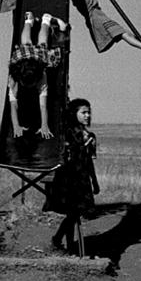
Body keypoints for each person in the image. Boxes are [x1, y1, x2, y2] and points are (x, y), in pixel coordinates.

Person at [48, 98, 100, 253]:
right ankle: (67, 245)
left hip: (82, 179)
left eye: (89, 112)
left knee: (75, 214)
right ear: (74, 114)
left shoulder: (90, 136)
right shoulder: (68, 134)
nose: (87, 115)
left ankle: (60, 240)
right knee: (72, 213)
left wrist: (94, 182)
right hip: (69, 178)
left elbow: (89, 161)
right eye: (83, 112)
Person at [8, 11, 66, 140]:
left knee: (42, 44)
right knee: (26, 43)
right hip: (23, 57)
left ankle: (44, 21)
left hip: (36, 58)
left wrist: (44, 125)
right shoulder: (14, 78)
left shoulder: (41, 75)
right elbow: (13, 104)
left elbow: (43, 105)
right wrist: (16, 125)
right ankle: (29, 21)